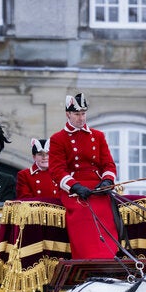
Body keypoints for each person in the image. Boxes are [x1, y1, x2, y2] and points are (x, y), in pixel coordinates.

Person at [48, 93, 121, 259]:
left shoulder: (98, 136)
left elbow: (108, 164)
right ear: (68, 114)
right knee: (84, 215)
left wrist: (107, 181)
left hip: (97, 187)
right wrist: (75, 186)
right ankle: (88, 258)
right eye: (76, 114)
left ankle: (109, 256)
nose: (81, 118)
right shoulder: (58, 139)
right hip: (74, 189)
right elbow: (57, 170)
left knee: (105, 212)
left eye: (83, 114)